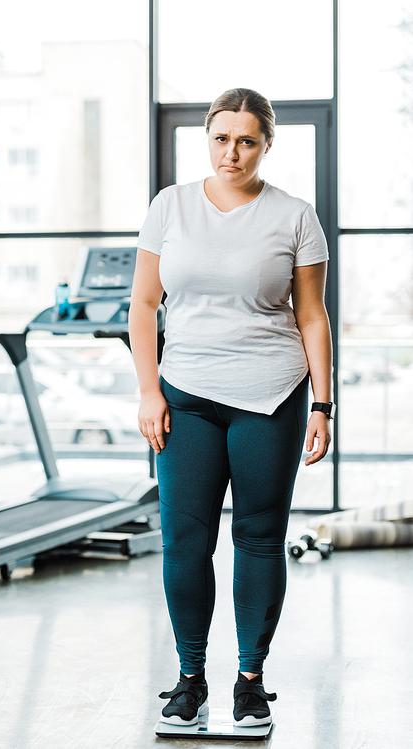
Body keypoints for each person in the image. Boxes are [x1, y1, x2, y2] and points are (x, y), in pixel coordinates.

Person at [128, 87, 333, 728]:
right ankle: (190, 682)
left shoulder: (295, 215)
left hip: (270, 397)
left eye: (247, 140)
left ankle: (250, 681)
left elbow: (312, 316)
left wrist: (323, 404)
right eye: (221, 138)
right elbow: (142, 306)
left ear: (266, 145)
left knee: (259, 539)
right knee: (185, 542)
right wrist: (148, 390)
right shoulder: (171, 207)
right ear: (207, 140)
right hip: (185, 395)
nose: (232, 152)